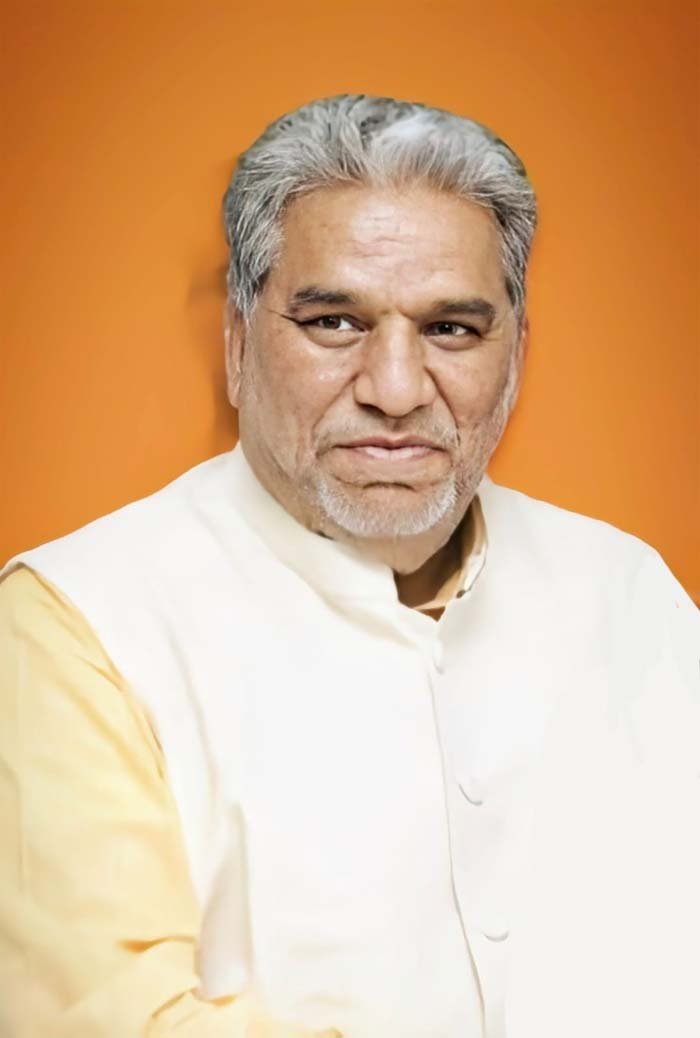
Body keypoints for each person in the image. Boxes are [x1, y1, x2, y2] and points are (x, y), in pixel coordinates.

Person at [0, 94, 698, 1038]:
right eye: (334, 322)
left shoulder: (631, 592)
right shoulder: (77, 624)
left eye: (452, 329)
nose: (397, 390)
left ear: (517, 355)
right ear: (237, 343)